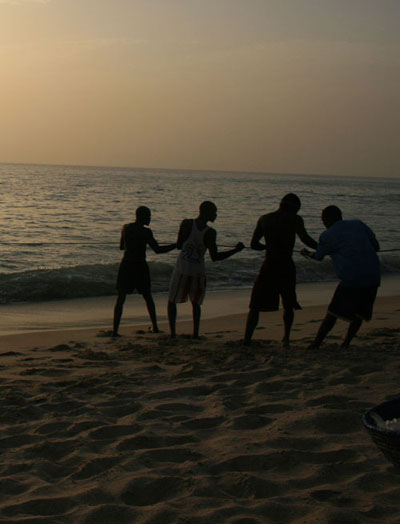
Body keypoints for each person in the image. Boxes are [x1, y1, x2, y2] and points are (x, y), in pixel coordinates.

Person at [244, 193, 317, 347]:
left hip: (269, 265)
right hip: (286, 266)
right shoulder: (295, 219)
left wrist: (267, 246)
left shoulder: (265, 218)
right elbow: (305, 239)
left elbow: (254, 244)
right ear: (295, 208)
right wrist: (324, 248)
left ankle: (247, 339)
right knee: (288, 303)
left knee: (255, 305)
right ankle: (286, 338)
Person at [301, 205, 380, 348]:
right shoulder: (358, 224)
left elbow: (319, 256)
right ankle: (346, 343)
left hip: (352, 278)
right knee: (359, 313)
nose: (323, 224)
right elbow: (376, 246)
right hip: (373, 274)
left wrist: (307, 253)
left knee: (333, 312)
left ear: (328, 218)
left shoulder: (328, 235)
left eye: (323, 220)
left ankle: (316, 343)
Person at [168, 201, 244, 338]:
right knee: (196, 303)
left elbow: (179, 245)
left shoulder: (186, 224)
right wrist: (235, 250)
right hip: (198, 272)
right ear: (207, 213)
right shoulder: (210, 232)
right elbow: (215, 257)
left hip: (182, 268)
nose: (216, 215)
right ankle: (195, 334)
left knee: (172, 300)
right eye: (214, 212)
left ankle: (173, 333)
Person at [113, 206, 176, 337]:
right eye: (148, 216)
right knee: (147, 297)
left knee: (121, 298)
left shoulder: (126, 228)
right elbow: (158, 250)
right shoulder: (146, 232)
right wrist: (176, 245)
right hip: (140, 265)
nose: (150, 219)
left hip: (126, 265)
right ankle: (155, 326)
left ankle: (115, 330)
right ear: (142, 217)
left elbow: (121, 247)